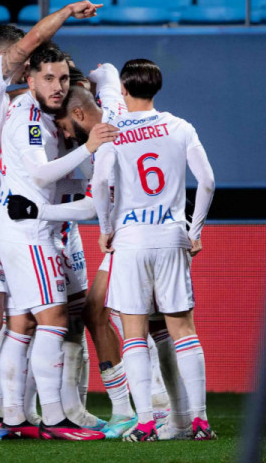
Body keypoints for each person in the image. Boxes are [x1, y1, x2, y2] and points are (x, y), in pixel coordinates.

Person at [0, 0, 101, 441]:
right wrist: (67, 12)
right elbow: (31, 44)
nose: (29, 69)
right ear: (10, 61)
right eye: (28, 66)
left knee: (1, 321)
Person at [91, 59, 216, 442]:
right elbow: (208, 181)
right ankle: (199, 421)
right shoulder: (180, 127)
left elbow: (100, 183)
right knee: (183, 331)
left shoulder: (113, 132)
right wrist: (194, 231)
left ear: (124, 91)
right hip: (171, 235)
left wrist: (106, 229)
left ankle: (145, 422)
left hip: (131, 240)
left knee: (134, 333)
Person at [0, 42, 113, 440]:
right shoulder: (28, 118)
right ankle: (55, 418)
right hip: (30, 234)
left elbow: (46, 180)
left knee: (22, 323)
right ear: (30, 80)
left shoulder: (38, 114)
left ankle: (14, 418)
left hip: (20, 229)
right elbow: (41, 174)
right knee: (54, 320)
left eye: (63, 78)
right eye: (48, 78)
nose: (57, 86)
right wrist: (90, 147)